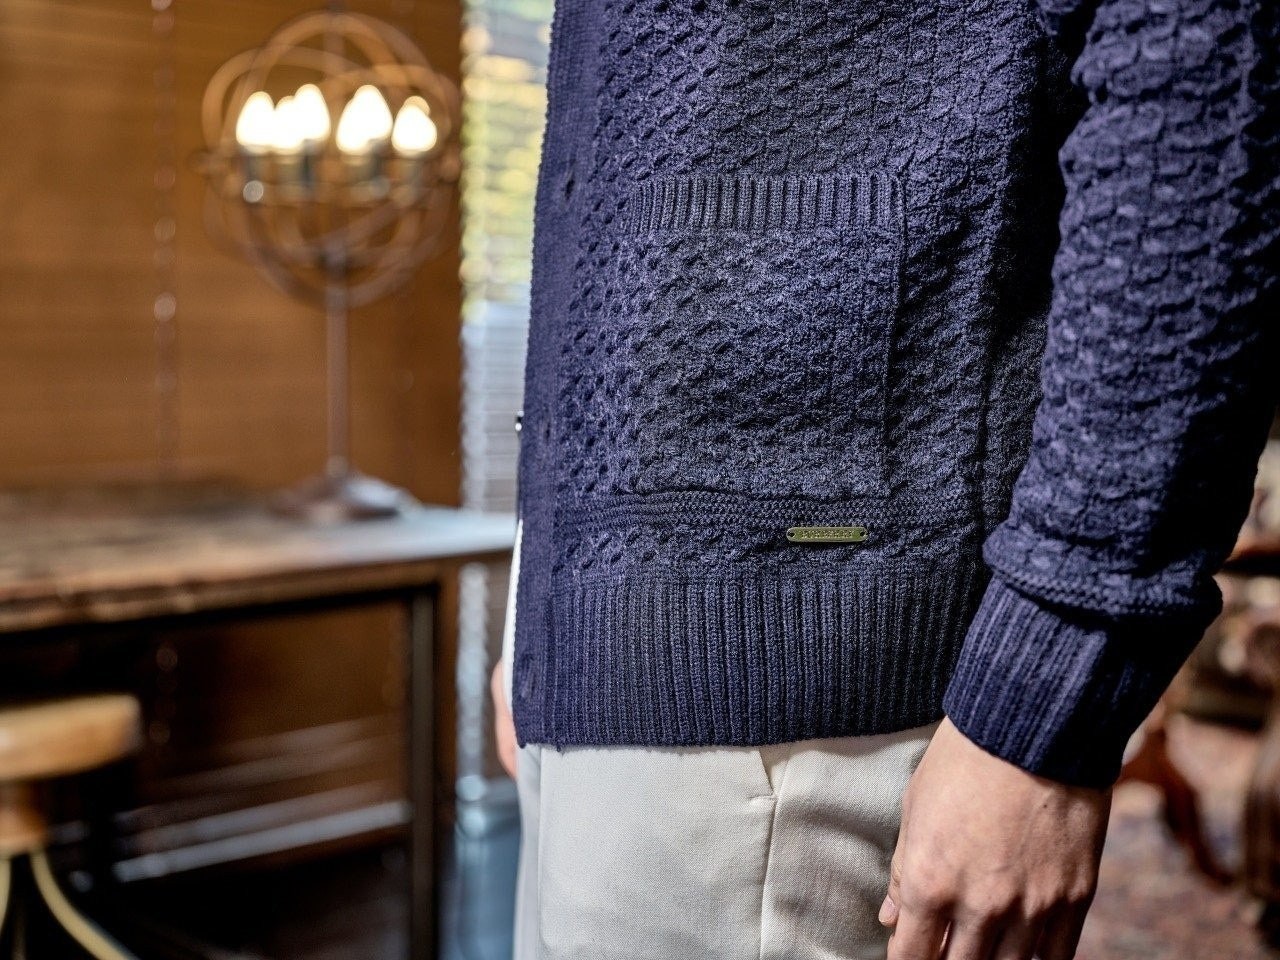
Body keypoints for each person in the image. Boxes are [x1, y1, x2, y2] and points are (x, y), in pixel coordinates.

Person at [492, 0, 1279, 957]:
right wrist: (548, 602)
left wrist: (1048, 688)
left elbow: (1198, 75)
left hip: (808, 675)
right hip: (597, 633)